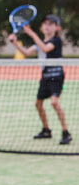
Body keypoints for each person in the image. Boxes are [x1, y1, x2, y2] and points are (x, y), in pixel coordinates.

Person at [8, 14, 72, 145]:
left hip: (56, 77)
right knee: (38, 104)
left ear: (57, 27)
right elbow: (26, 53)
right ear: (42, 27)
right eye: (45, 24)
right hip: (45, 77)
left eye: (50, 24)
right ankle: (46, 130)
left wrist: (31, 33)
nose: (47, 26)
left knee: (54, 102)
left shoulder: (56, 41)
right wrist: (14, 43)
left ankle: (66, 132)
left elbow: (45, 48)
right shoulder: (39, 44)